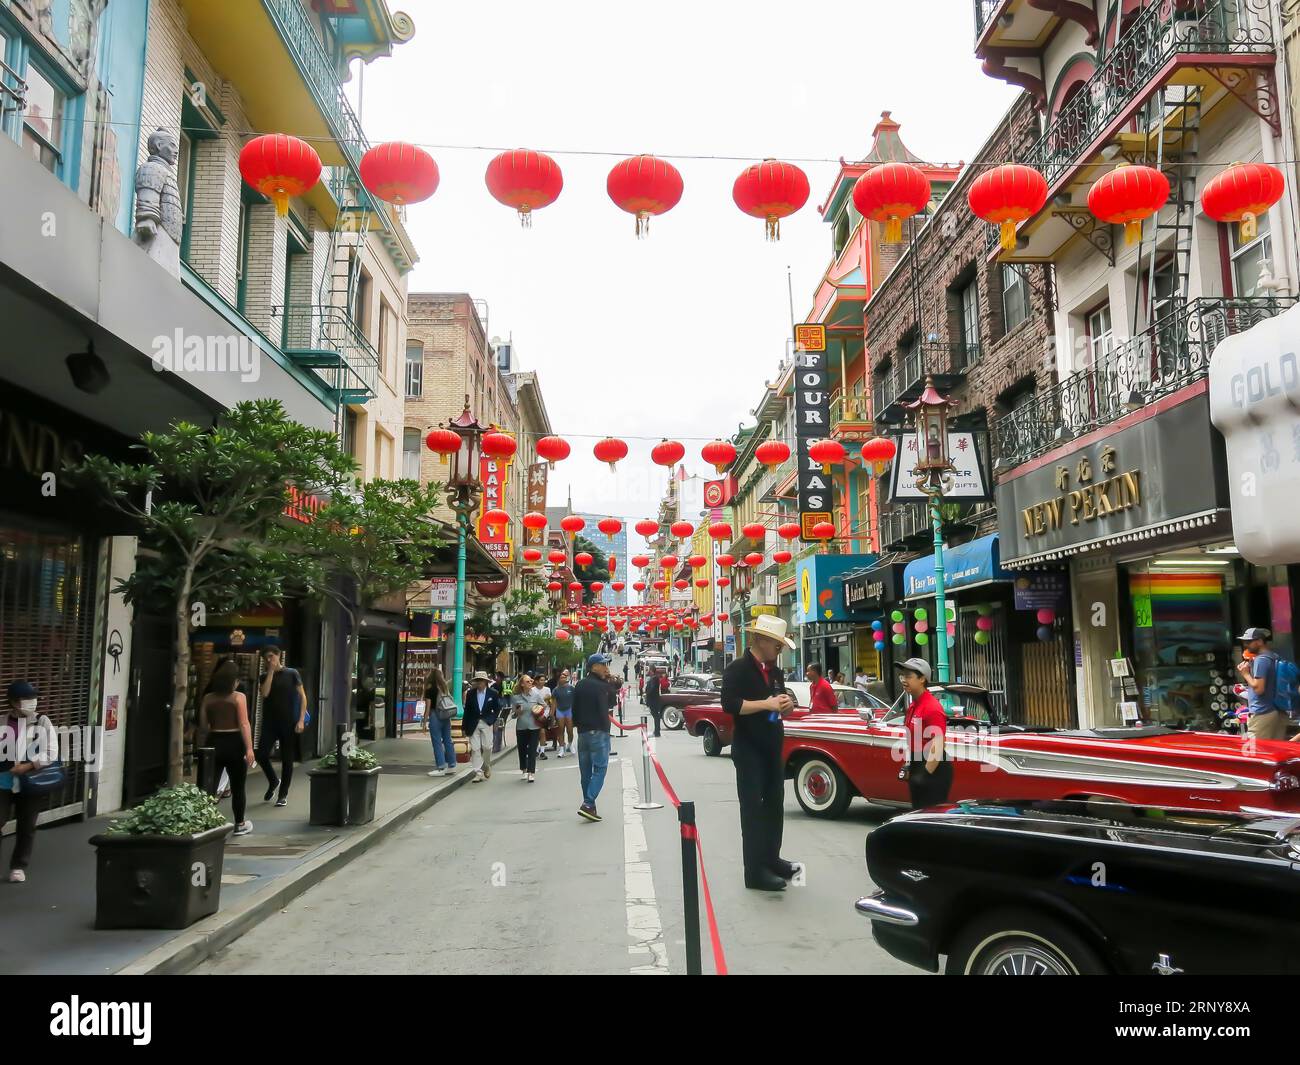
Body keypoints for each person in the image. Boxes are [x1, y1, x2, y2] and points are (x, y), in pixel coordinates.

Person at [720, 616, 798, 892]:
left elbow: (778, 702)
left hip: (772, 745)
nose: (780, 649)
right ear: (761, 641)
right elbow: (729, 704)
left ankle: (771, 858)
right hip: (749, 748)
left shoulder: (775, 671)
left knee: (775, 806)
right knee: (752, 810)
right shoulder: (737, 669)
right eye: (776, 644)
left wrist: (785, 705)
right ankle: (754, 871)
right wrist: (766, 704)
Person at [0, 683, 54, 882]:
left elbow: (52, 752)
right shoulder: (2, 722)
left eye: (34, 698)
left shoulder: (42, 722)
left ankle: (18, 866)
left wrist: (28, 765)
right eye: (26, 699)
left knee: (26, 825)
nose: (32, 703)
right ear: (13, 702)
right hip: (3, 781)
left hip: (30, 781)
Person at [198, 661, 256, 835]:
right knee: (238, 787)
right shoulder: (238, 697)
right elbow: (244, 723)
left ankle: (203, 823)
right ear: (234, 681)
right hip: (235, 743)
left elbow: (203, 725)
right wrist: (249, 748)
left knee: (208, 786)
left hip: (213, 741)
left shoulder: (208, 698)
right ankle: (240, 823)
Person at [894, 658, 951, 808]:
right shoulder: (914, 705)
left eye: (909, 676)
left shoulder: (932, 707)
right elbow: (911, 739)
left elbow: (938, 745)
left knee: (931, 818)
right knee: (917, 813)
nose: (904, 680)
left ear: (922, 679)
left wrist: (925, 774)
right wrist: (908, 765)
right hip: (917, 763)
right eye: (902, 676)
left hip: (933, 768)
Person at [256, 647, 306, 808]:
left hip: (289, 722)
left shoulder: (292, 674)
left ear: (278, 656)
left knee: (287, 759)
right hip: (270, 722)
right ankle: (273, 780)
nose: (269, 660)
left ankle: (283, 794)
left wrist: (301, 720)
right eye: (266, 658)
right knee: (262, 754)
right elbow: (264, 693)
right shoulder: (264, 676)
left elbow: (302, 696)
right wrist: (270, 672)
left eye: (271, 656)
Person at [573, 654, 616, 821]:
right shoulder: (602, 686)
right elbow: (611, 703)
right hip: (599, 731)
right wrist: (608, 682)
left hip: (583, 733)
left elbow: (574, 709)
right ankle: (589, 803)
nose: (606, 667)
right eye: (603, 664)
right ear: (593, 667)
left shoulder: (580, 685)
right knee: (600, 768)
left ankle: (589, 807)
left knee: (585, 772)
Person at [1237, 627, 1288, 740]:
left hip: (1262, 712)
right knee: (1274, 751)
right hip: (1276, 711)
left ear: (1259, 641)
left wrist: (1245, 674)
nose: (1246, 645)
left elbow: (1259, 689)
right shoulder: (1273, 656)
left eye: (1249, 642)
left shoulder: (1261, 660)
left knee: (1255, 751)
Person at [461, 672, 502, 782]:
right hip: (473, 723)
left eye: (480, 681)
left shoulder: (493, 693)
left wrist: (492, 719)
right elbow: (467, 711)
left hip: (486, 722)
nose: (478, 683)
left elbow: (497, 708)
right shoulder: (470, 693)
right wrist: (463, 727)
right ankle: (478, 772)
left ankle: (486, 765)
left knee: (487, 746)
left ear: (485, 682)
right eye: (477, 681)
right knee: (475, 748)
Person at [511, 673, 547, 782]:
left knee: (532, 750)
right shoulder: (516, 697)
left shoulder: (535, 695)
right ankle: (524, 769)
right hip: (521, 726)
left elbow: (544, 705)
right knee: (522, 749)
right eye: (528, 681)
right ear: (522, 684)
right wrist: (517, 712)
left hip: (534, 726)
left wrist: (539, 712)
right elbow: (513, 714)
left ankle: (531, 772)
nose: (531, 682)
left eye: (531, 681)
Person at [424, 667, 457, 777]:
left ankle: (441, 766)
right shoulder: (444, 687)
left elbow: (428, 707)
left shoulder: (430, 688)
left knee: (437, 742)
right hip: (445, 715)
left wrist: (424, 721)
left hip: (435, 715)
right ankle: (452, 765)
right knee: (448, 740)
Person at [551, 669, 576, 756]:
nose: (563, 679)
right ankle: (561, 748)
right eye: (561, 678)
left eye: (564, 677)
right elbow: (554, 703)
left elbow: (576, 700)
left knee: (570, 730)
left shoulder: (571, 688)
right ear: (559, 680)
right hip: (560, 711)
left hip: (569, 710)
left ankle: (570, 744)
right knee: (560, 729)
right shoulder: (556, 690)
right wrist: (551, 715)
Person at [645, 666, 666, 737]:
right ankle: (656, 731)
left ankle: (657, 731)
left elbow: (653, 689)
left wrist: (648, 693)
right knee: (655, 716)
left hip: (654, 700)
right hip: (653, 700)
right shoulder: (653, 678)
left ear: (651, 671)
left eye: (649, 670)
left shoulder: (655, 678)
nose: (648, 672)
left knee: (656, 716)